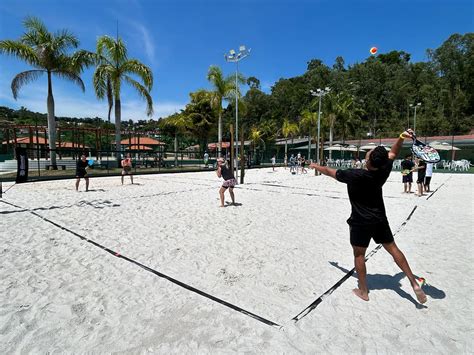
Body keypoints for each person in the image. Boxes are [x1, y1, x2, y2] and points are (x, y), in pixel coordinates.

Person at [309, 129, 427, 304]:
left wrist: (315, 166)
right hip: (379, 219)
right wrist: (401, 137)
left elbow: (328, 170)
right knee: (394, 249)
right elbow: (394, 152)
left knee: (359, 256)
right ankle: (413, 282)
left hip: (359, 222)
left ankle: (364, 291)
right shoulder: (383, 171)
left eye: (369, 153)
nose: (368, 153)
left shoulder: (353, 175)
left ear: (369, 160)